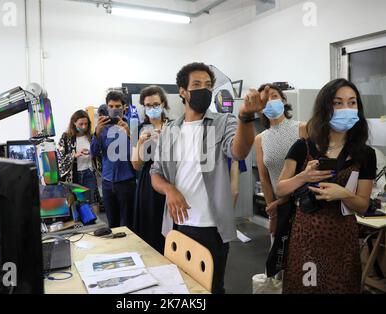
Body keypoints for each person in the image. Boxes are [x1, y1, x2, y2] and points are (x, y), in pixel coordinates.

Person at [150, 62, 269, 293]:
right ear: (183, 92)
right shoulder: (171, 130)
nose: (203, 90)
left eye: (208, 85)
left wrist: (245, 117)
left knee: (212, 288)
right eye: (196, 84)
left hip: (211, 227)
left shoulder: (224, 122)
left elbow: (239, 151)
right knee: (181, 289)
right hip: (176, 225)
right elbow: (156, 173)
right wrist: (170, 190)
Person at [276, 78, 376, 294]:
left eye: (352, 103)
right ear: (325, 108)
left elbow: (362, 205)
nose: (346, 109)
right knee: (305, 288)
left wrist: (343, 194)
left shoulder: (365, 154)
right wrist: (303, 177)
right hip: (306, 237)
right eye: (338, 103)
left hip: (343, 240)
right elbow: (280, 189)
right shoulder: (303, 146)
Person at [254, 84, 307, 236]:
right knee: (278, 254)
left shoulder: (302, 128)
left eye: (274, 96)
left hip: (303, 204)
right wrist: (273, 214)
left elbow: (311, 168)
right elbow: (264, 178)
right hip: (279, 209)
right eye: (265, 100)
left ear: (284, 101)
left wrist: (282, 202)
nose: (270, 101)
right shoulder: (260, 139)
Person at [131, 85, 170, 254]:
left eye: (155, 104)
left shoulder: (174, 126)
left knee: (170, 225)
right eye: (148, 105)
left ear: (163, 104)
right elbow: (136, 165)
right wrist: (140, 143)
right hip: (148, 183)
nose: (152, 108)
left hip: (170, 179)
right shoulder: (139, 129)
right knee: (149, 224)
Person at [91, 91, 136, 228]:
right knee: (112, 223)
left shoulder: (132, 126)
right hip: (108, 183)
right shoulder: (102, 128)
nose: (114, 109)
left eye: (117, 106)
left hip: (127, 182)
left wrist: (129, 134)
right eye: (111, 106)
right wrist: (97, 133)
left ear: (125, 107)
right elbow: (93, 153)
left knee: (129, 222)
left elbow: (139, 153)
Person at [57, 110, 100, 215]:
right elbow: (59, 158)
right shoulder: (66, 137)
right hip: (74, 176)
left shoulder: (91, 136)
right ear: (74, 123)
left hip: (89, 173)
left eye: (86, 124)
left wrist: (93, 153)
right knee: (76, 203)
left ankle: (98, 226)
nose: (84, 126)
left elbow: (99, 153)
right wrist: (74, 155)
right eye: (81, 124)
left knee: (93, 202)